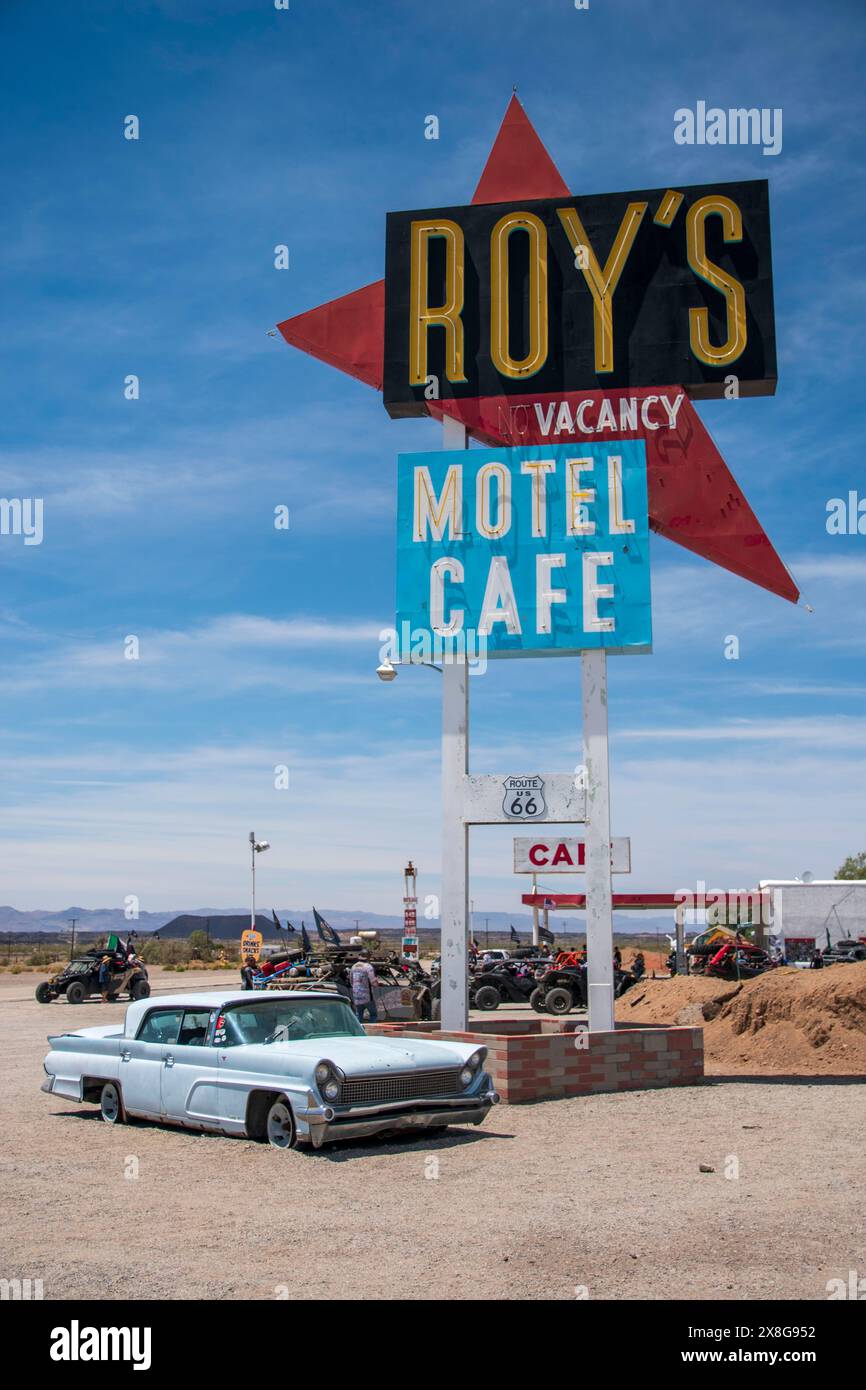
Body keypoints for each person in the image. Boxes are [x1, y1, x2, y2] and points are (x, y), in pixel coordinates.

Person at [350, 951, 378, 1023]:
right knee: (373, 1014)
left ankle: (358, 1031)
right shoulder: (368, 967)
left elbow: (351, 981)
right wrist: (376, 984)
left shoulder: (353, 966)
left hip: (356, 995)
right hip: (367, 996)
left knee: (358, 1015)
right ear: (368, 957)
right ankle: (371, 1030)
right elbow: (373, 982)